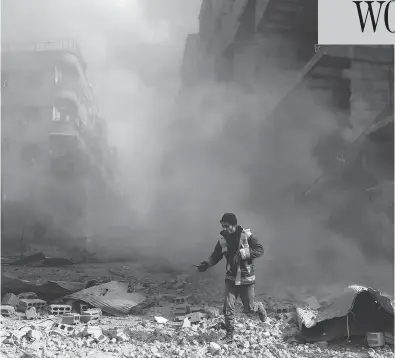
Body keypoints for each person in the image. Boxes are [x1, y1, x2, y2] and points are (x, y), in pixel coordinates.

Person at [197, 213, 267, 343]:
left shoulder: (247, 236)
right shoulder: (222, 239)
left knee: (249, 309)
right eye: (223, 226)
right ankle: (229, 335)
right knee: (228, 307)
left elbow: (260, 250)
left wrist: (241, 254)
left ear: (234, 225)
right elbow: (215, 256)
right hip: (231, 278)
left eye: (227, 226)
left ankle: (259, 307)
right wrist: (206, 264)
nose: (225, 228)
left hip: (246, 278)